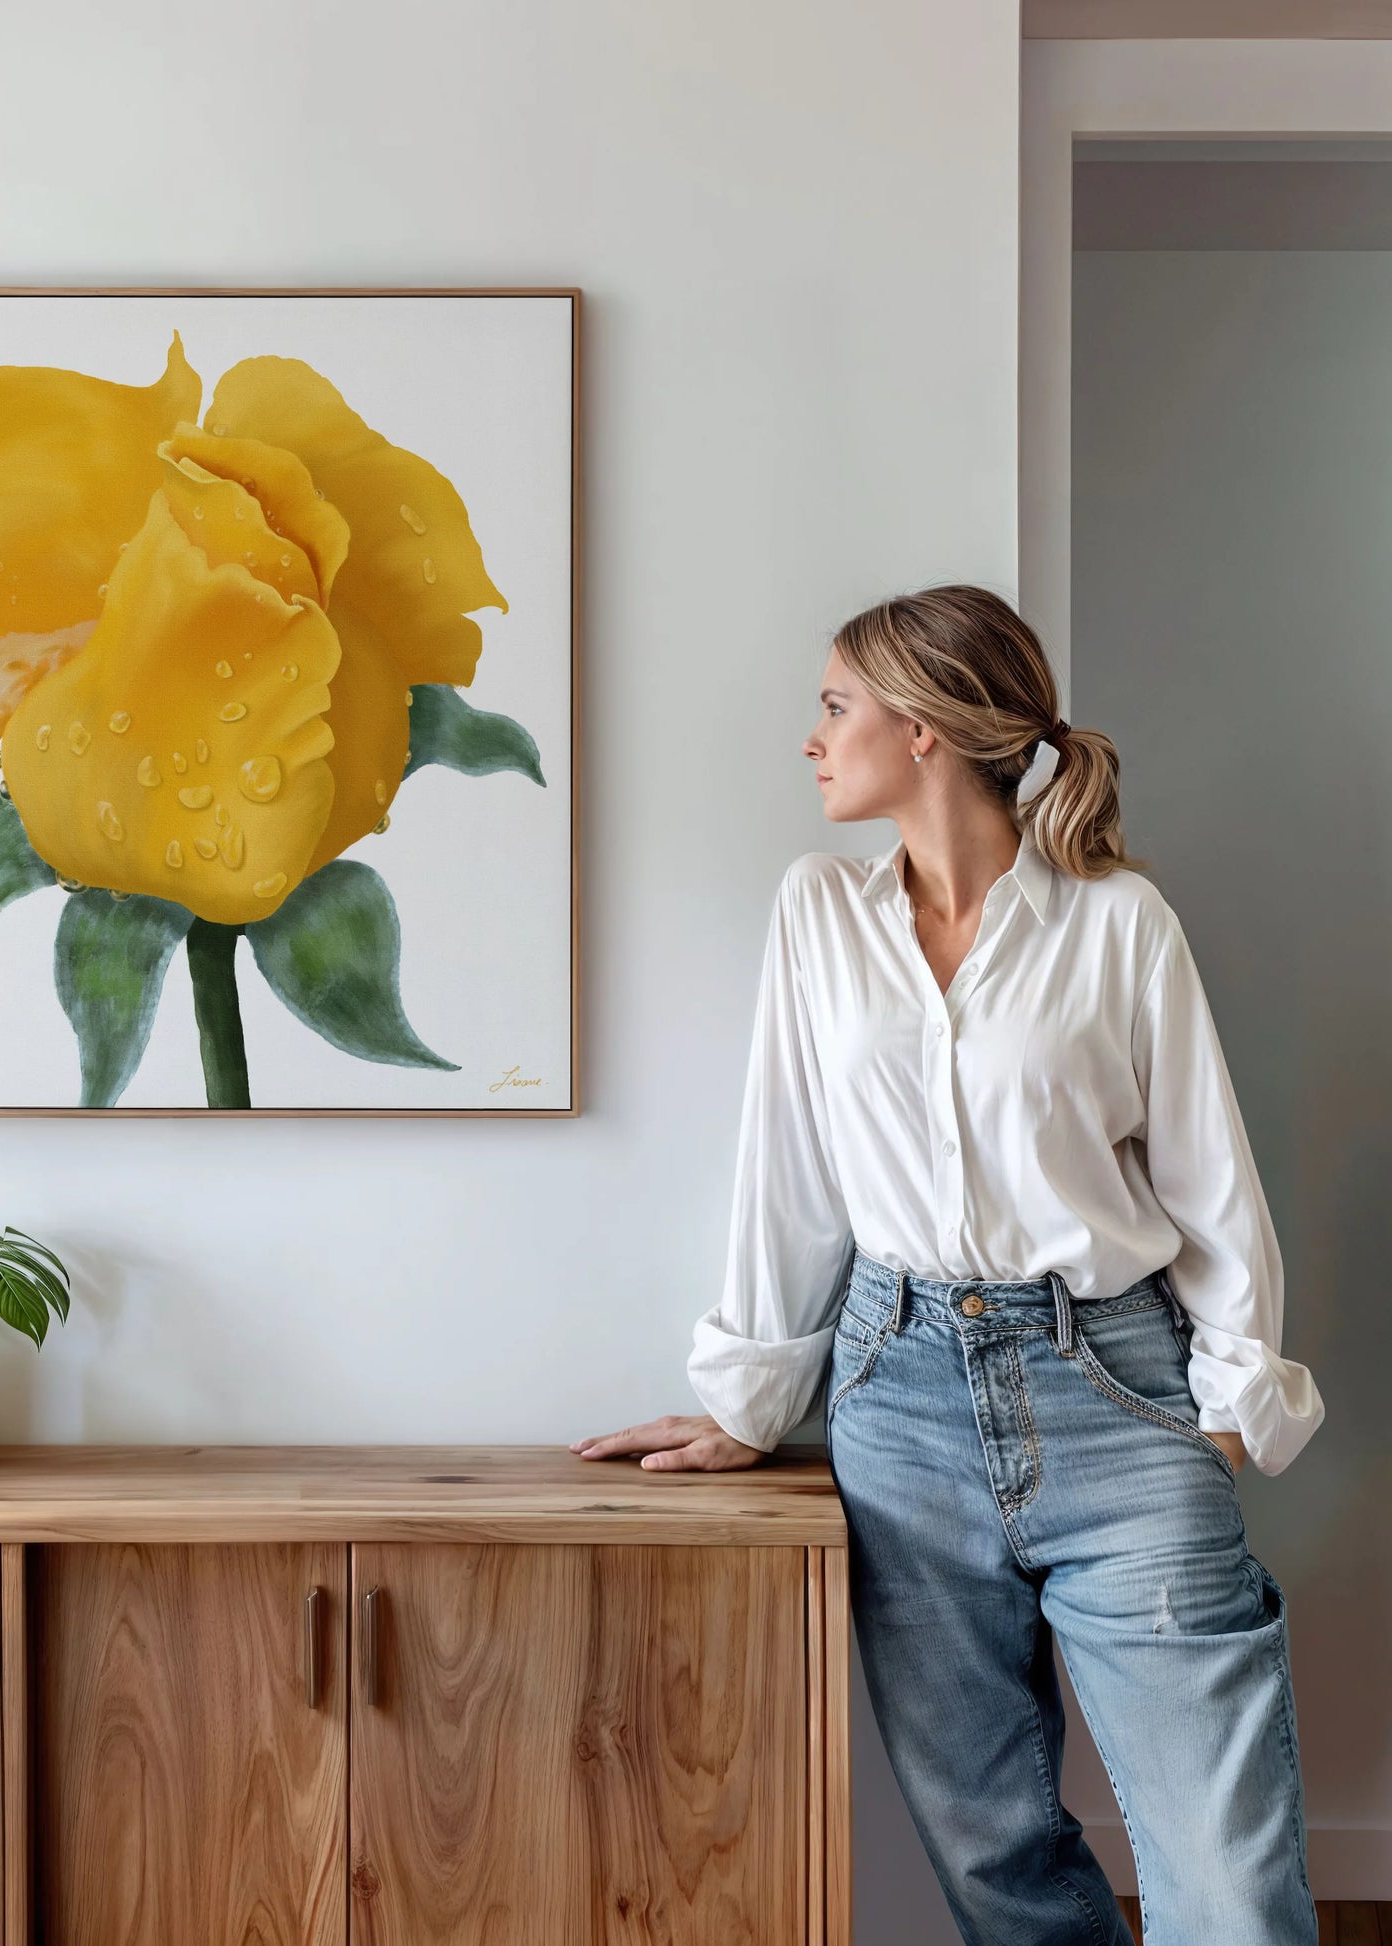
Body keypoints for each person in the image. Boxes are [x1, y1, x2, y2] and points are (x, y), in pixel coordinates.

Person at [570, 585, 1324, 1945]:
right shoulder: (817, 915)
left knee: (1225, 1876)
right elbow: (785, 1169)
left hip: (1117, 1388)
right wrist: (750, 1398)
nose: (811, 738)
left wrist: (1223, 1409)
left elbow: (1210, 1182)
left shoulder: (1116, 923)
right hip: (895, 1397)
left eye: (833, 706)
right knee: (994, 1858)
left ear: (921, 731)